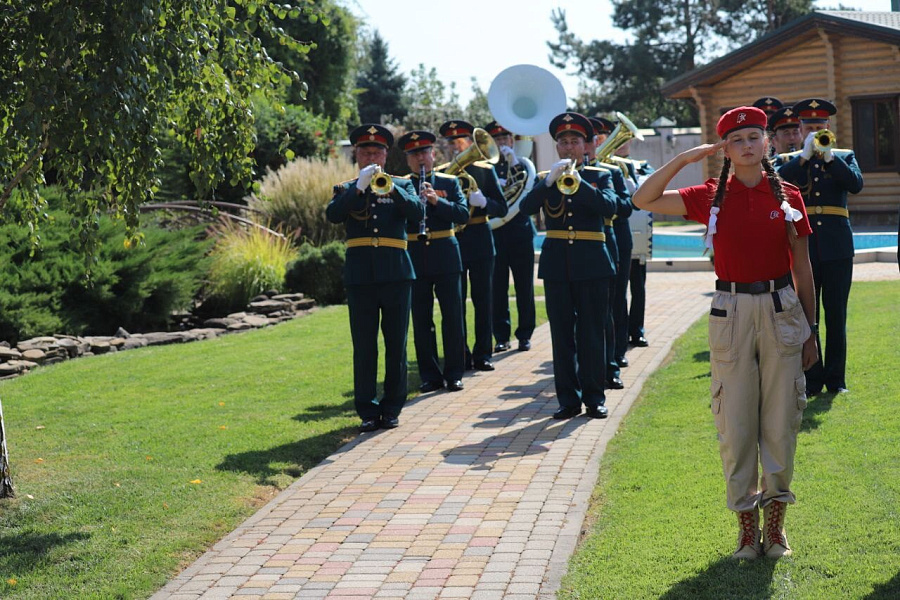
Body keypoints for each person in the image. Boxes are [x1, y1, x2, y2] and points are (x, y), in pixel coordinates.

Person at [633, 106, 818, 559]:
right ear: (725, 150)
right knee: (735, 425)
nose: (748, 145)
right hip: (730, 311)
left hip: (781, 309)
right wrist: (683, 159)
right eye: (737, 140)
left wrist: (812, 331)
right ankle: (744, 527)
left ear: (768, 143)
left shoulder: (789, 194)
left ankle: (775, 528)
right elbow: (643, 198)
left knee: (780, 421)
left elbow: (803, 268)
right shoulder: (709, 196)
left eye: (755, 137)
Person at [519, 111, 618, 420]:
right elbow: (525, 208)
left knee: (592, 333)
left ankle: (594, 397)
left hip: (592, 263)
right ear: (557, 147)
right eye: (563, 142)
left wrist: (580, 184)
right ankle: (568, 399)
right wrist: (548, 182)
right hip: (557, 265)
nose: (569, 147)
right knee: (562, 336)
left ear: (586, 145)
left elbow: (613, 207)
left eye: (575, 141)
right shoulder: (544, 180)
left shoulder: (601, 176)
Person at [326, 124, 424, 433]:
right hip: (361, 277)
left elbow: (417, 211)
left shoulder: (402, 184)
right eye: (365, 151)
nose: (371, 156)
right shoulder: (345, 188)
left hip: (396, 273)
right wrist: (359, 188)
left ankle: (392, 407)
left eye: (377, 151)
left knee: (396, 344)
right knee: (365, 346)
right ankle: (367, 409)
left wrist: (390, 190)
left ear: (386, 154)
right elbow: (333, 215)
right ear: (355, 155)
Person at [776, 98, 864, 396]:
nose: (815, 132)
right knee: (806, 316)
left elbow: (855, 185)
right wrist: (803, 157)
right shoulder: (789, 160)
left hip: (837, 245)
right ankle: (812, 379)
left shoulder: (844, 155)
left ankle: (836, 380)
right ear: (800, 129)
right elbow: (777, 185)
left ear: (829, 128)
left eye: (820, 127)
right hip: (805, 249)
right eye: (809, 127)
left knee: (836, 314)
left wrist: (829, 158)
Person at [398, 130, 469, 394]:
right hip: (415, 254)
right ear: (408, 160)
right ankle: (430, 375)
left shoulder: (450, 182)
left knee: (452, 316)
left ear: (433, 154)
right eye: (414, 155)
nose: (420, 159)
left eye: (424, 153)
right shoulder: (401, 184)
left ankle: (454, 374)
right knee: (421, 318)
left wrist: (436, 201)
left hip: (446, 253)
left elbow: (462, 214)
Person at [438, 120, 508, 371]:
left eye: (461, 142)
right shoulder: (442, 173)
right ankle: (461, 354)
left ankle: (483, 354)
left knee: (483, 300)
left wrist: (484, 201)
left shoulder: (484, 171)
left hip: (479, 239)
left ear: (470, 143)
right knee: (455, 303)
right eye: (452, 143)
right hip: (453, 243)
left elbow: (502, 208)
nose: (457, 148)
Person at [483, 120, 537, 354]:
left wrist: (515, 166)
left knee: (524, 286)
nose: (502, 143)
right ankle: (501, 336)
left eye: (505, 139)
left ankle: (525, 334)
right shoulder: (486, 168)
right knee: (498, 288)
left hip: (520, 233)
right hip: (496, 233)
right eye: (497, 139)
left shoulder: (523, 164)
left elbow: (529, 194)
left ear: (512, 141)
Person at [588, 116, 630, 386]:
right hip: (581, 248)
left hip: (608, 241)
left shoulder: (611, 171)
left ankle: (612, 364)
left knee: (611, 308)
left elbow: (625, 207)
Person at [614, 140, 655, 349]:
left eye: (623, 140)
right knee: (618, 291)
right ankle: (619, 334)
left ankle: (636, 331)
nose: (620, 144)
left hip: (638, 237)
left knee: (638, 287)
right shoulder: (606, 167)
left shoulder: (642, 165)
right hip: (618, 236)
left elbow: (655, 182)